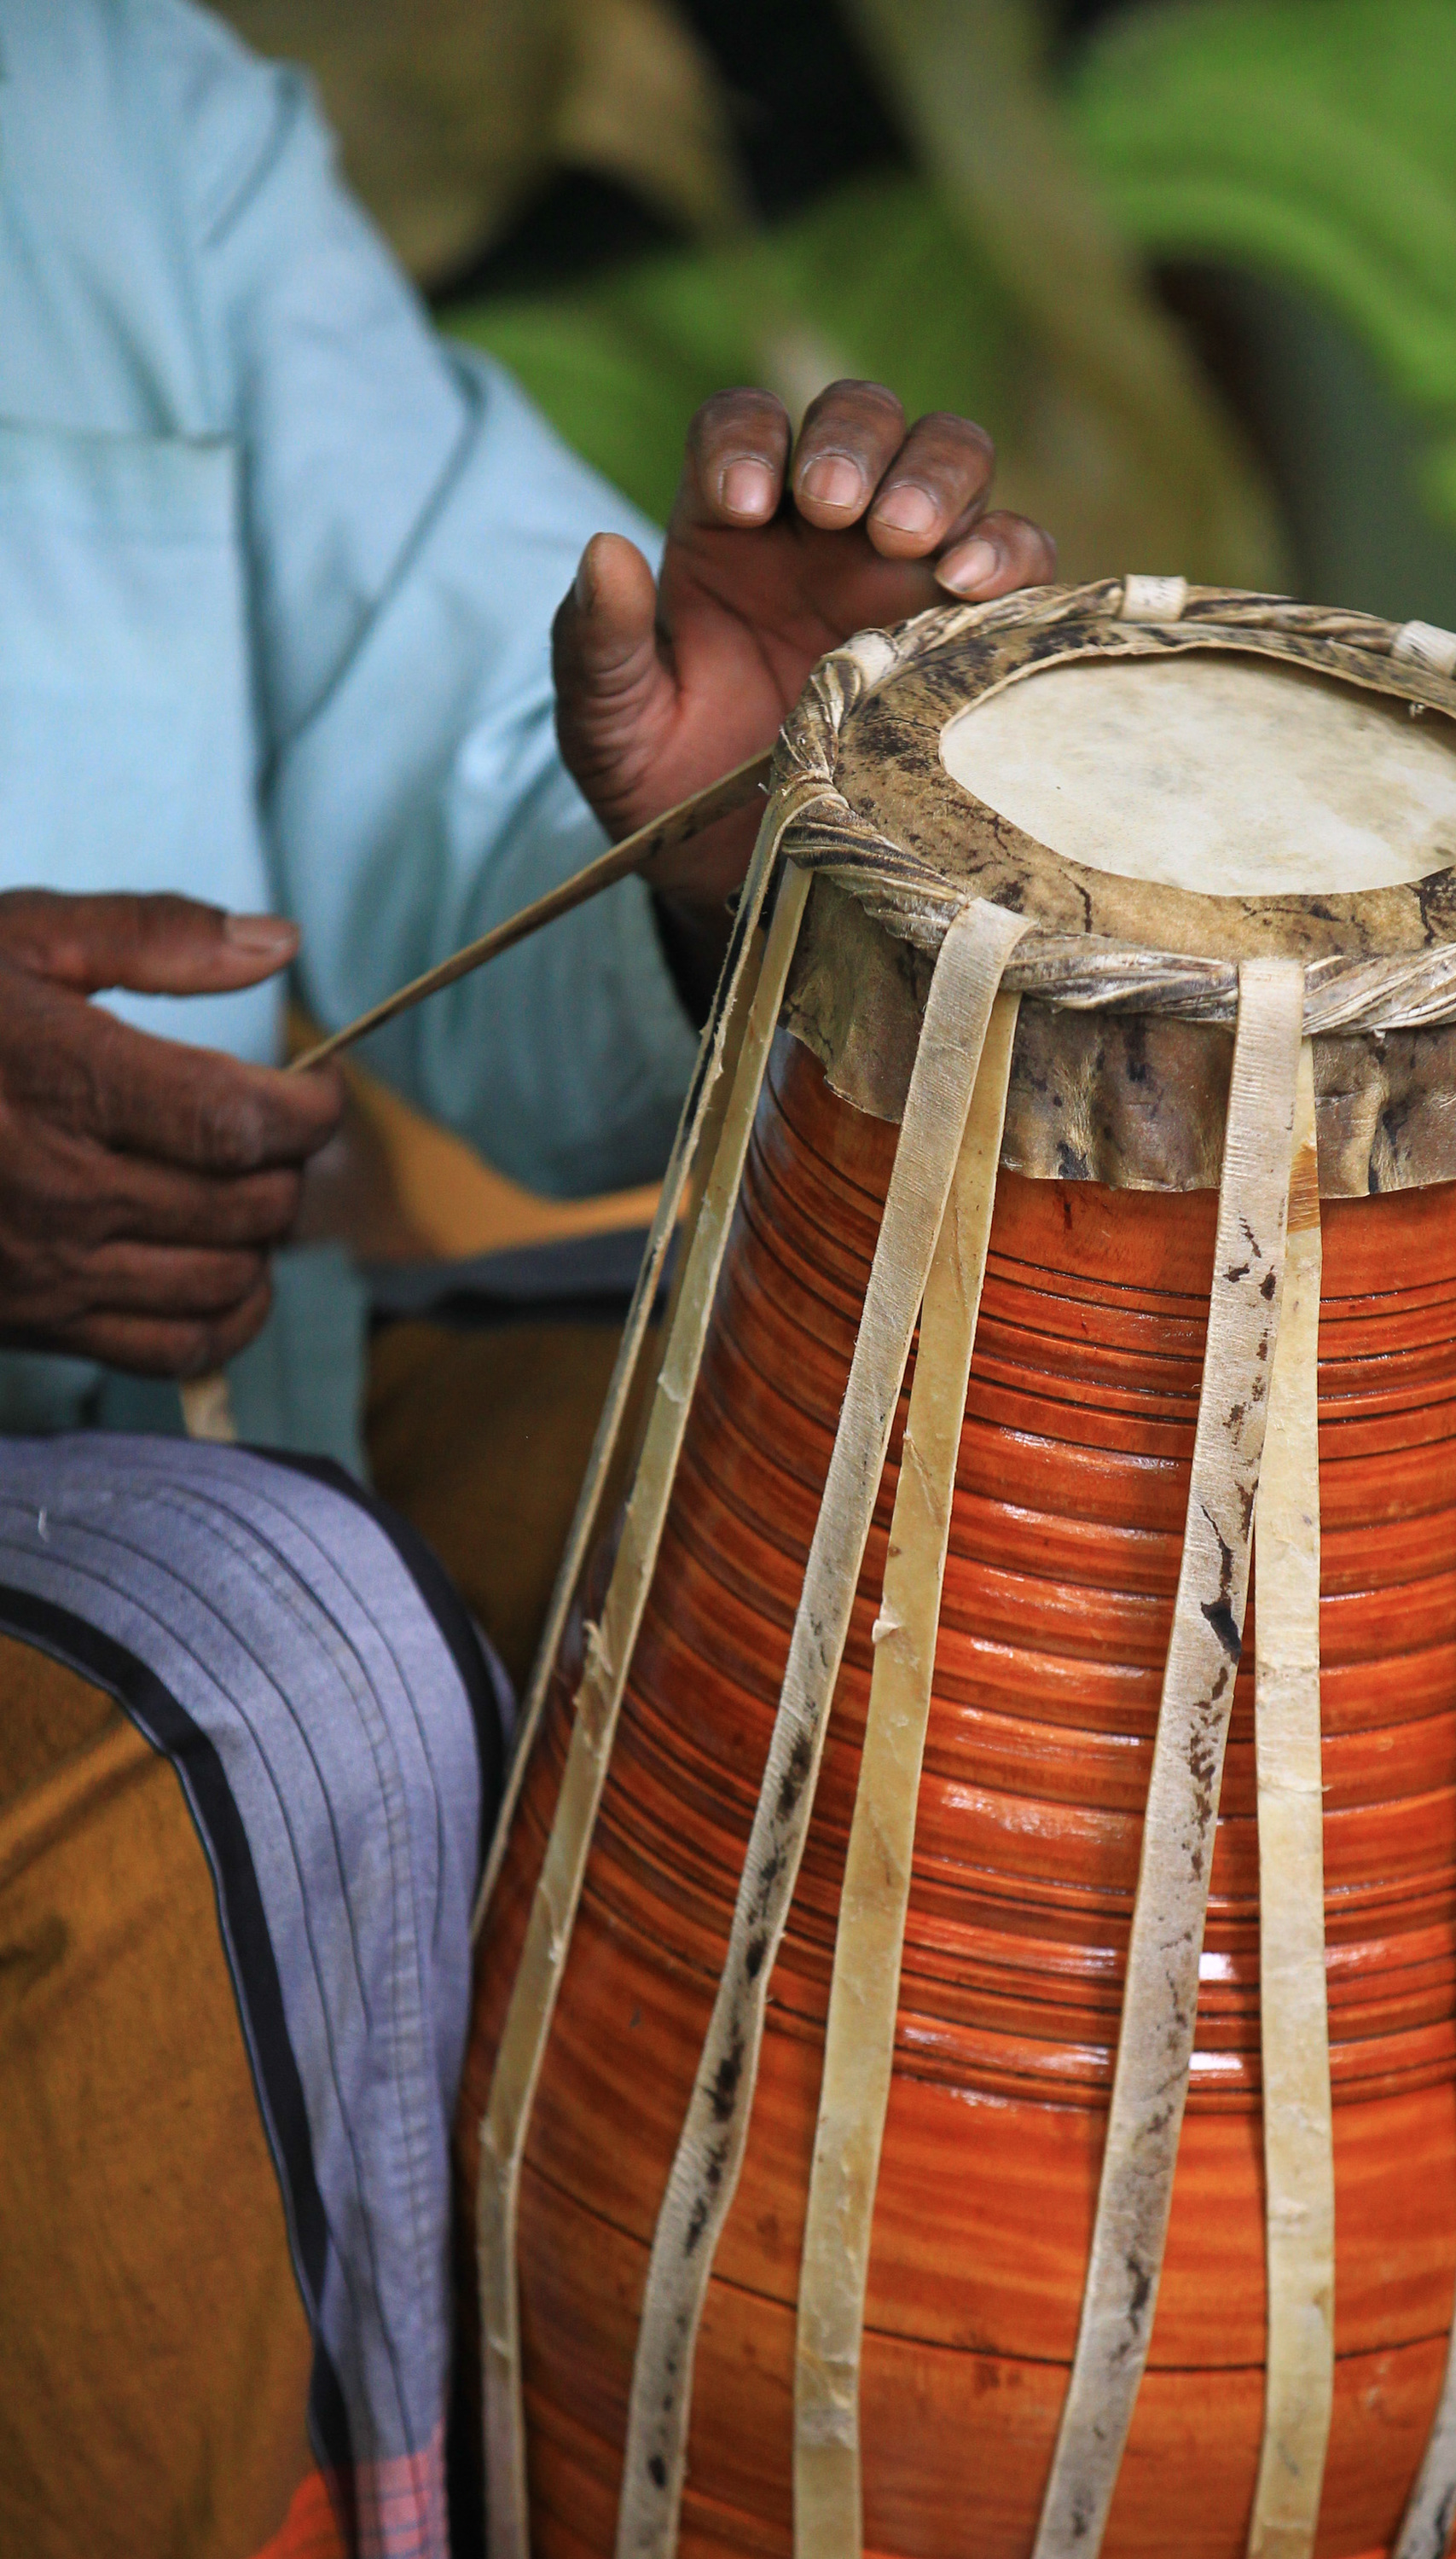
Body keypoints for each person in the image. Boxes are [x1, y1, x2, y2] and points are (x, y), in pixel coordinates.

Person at [0, 4, 1055, 2553]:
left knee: (984, 1443)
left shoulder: (109, 113)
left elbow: (494, 783)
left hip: (189, 1417)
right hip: (208, 1525)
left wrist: (733, 831)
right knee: (269, 1650)